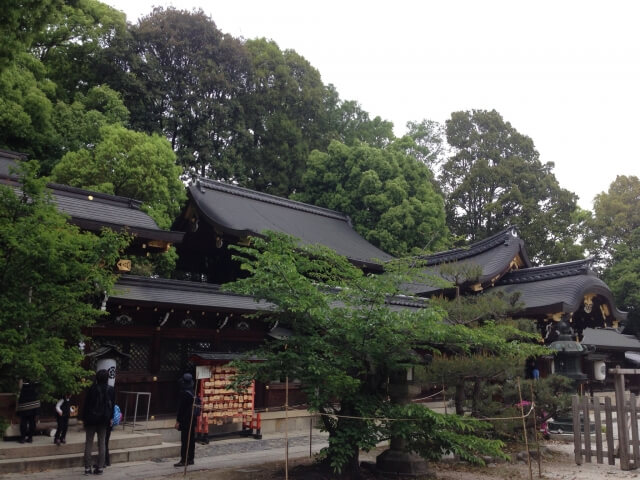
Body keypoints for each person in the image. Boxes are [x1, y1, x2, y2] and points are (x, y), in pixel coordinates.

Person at [82, 369, 114, 475]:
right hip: (104, 420)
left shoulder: (92, 389)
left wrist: (84, 419)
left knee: (89, 443)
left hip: (91, 419)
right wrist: (111, 418)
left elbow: (86, 405)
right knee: (102, 443)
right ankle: (100, 467)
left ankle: (87, 468)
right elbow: (112, 406)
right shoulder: (111, 389)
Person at [174, 373, 197, 467]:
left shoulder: (184, 393)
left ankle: (184, 459)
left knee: (185, 439)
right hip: (192, 418)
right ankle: (191, 458)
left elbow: (181, 409)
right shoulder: (192, 392)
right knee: (191, 439)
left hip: (185, 419)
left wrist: (178, 421)